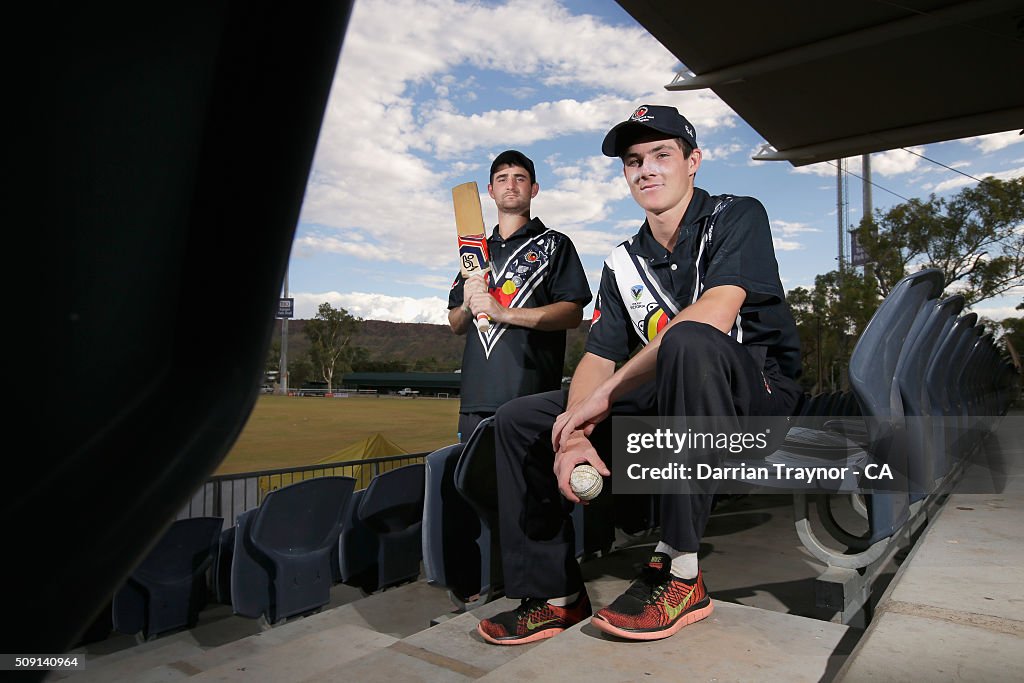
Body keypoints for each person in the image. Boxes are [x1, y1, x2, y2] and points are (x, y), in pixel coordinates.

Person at [477, 105, 802, 645]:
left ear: (693, 161)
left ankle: (679, 570)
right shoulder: (623, 260)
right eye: (633, 161)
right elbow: (598, 357)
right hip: (672, 400)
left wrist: (601, 398)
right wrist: (574, 430)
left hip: (755, 401)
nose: (646, 169)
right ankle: (556, 593)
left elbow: (715, 315)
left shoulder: (738, 214)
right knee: (523, 420)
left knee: (690, 341)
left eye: (661, 155)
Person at [448, 150, 592, 442]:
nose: (510, 185)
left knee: (529, 487)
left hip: (532, 399)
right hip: (475, 401)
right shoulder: (475, 253)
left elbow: (572, 313)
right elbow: (455, 323)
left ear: (533, 189)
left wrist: (504, 312)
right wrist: (466, 304)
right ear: (491, 191)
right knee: (474, 486)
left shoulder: (555, 244)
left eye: (520, 178)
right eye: (502, 179)